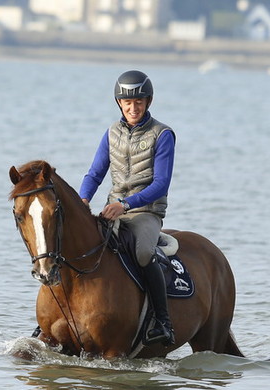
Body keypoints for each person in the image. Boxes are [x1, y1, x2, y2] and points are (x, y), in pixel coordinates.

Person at [79, 70, 176, 346]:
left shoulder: (163, 134)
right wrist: (83, 200)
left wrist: (125, 204)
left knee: (144, 252)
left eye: (139, 102)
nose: (133, 108)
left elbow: (161, 183)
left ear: (149, 101)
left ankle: (162, 321)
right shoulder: (111, 133)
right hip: (112, 210)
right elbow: (95, 174)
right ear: (119, 103)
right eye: (127, 103)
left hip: (146, 212)